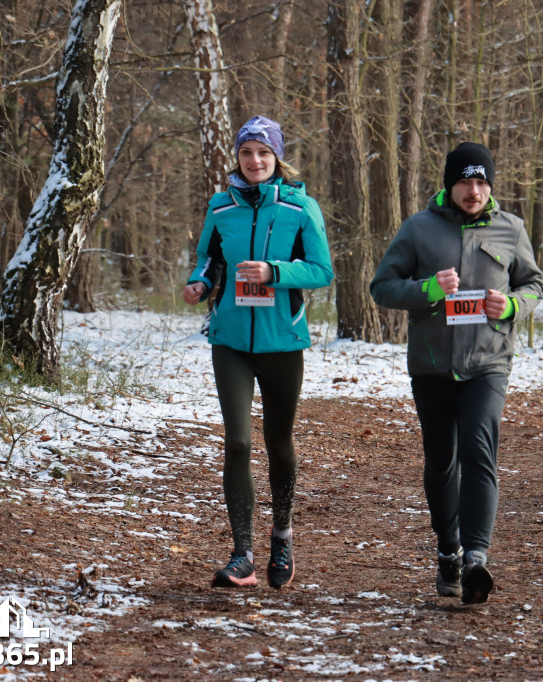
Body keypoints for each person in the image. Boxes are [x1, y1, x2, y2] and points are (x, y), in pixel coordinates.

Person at [370, 142, 543, 604]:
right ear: (449, 185)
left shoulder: (511, 230)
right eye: (466, 181)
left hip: (488, 362)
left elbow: (534, 285)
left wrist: (510, 305)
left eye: (482, 181)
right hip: (432, 364)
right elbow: (382, 288)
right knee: (441, 461)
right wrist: (427, 288)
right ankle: (448, 550)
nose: (474, 190)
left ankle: (476, 559)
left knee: (478, 451)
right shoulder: (419, 229)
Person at [183, 116, 334, 589]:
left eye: (263, 153)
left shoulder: (300, 206)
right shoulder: (220, 206)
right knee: (238, 442)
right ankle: (242, 554)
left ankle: (283, 535)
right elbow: (211, 257)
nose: (254, 161)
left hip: (282, 342)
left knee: (278, 442)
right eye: (247, 152)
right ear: (238, 157)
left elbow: (321, 270)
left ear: (277, 158)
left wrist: (274, 272)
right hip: (229, 340)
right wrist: (199, 282)